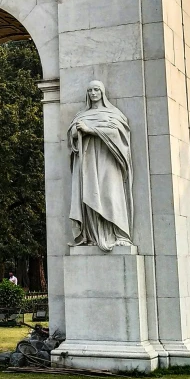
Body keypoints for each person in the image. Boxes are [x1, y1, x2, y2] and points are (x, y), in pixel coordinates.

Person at [68, 80, 133, 252]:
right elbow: (72, 139)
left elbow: (119, 134)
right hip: (87, 161)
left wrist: (91, 130)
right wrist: (76, 131)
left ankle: (119, 234)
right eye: (90, 90)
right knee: (89, 196)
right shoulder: (81, 115)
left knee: (110, 195)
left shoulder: (113, 114)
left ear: (102, 92)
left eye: (96, 90)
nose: (93, 93)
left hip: (107, 159)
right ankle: (91, 236)